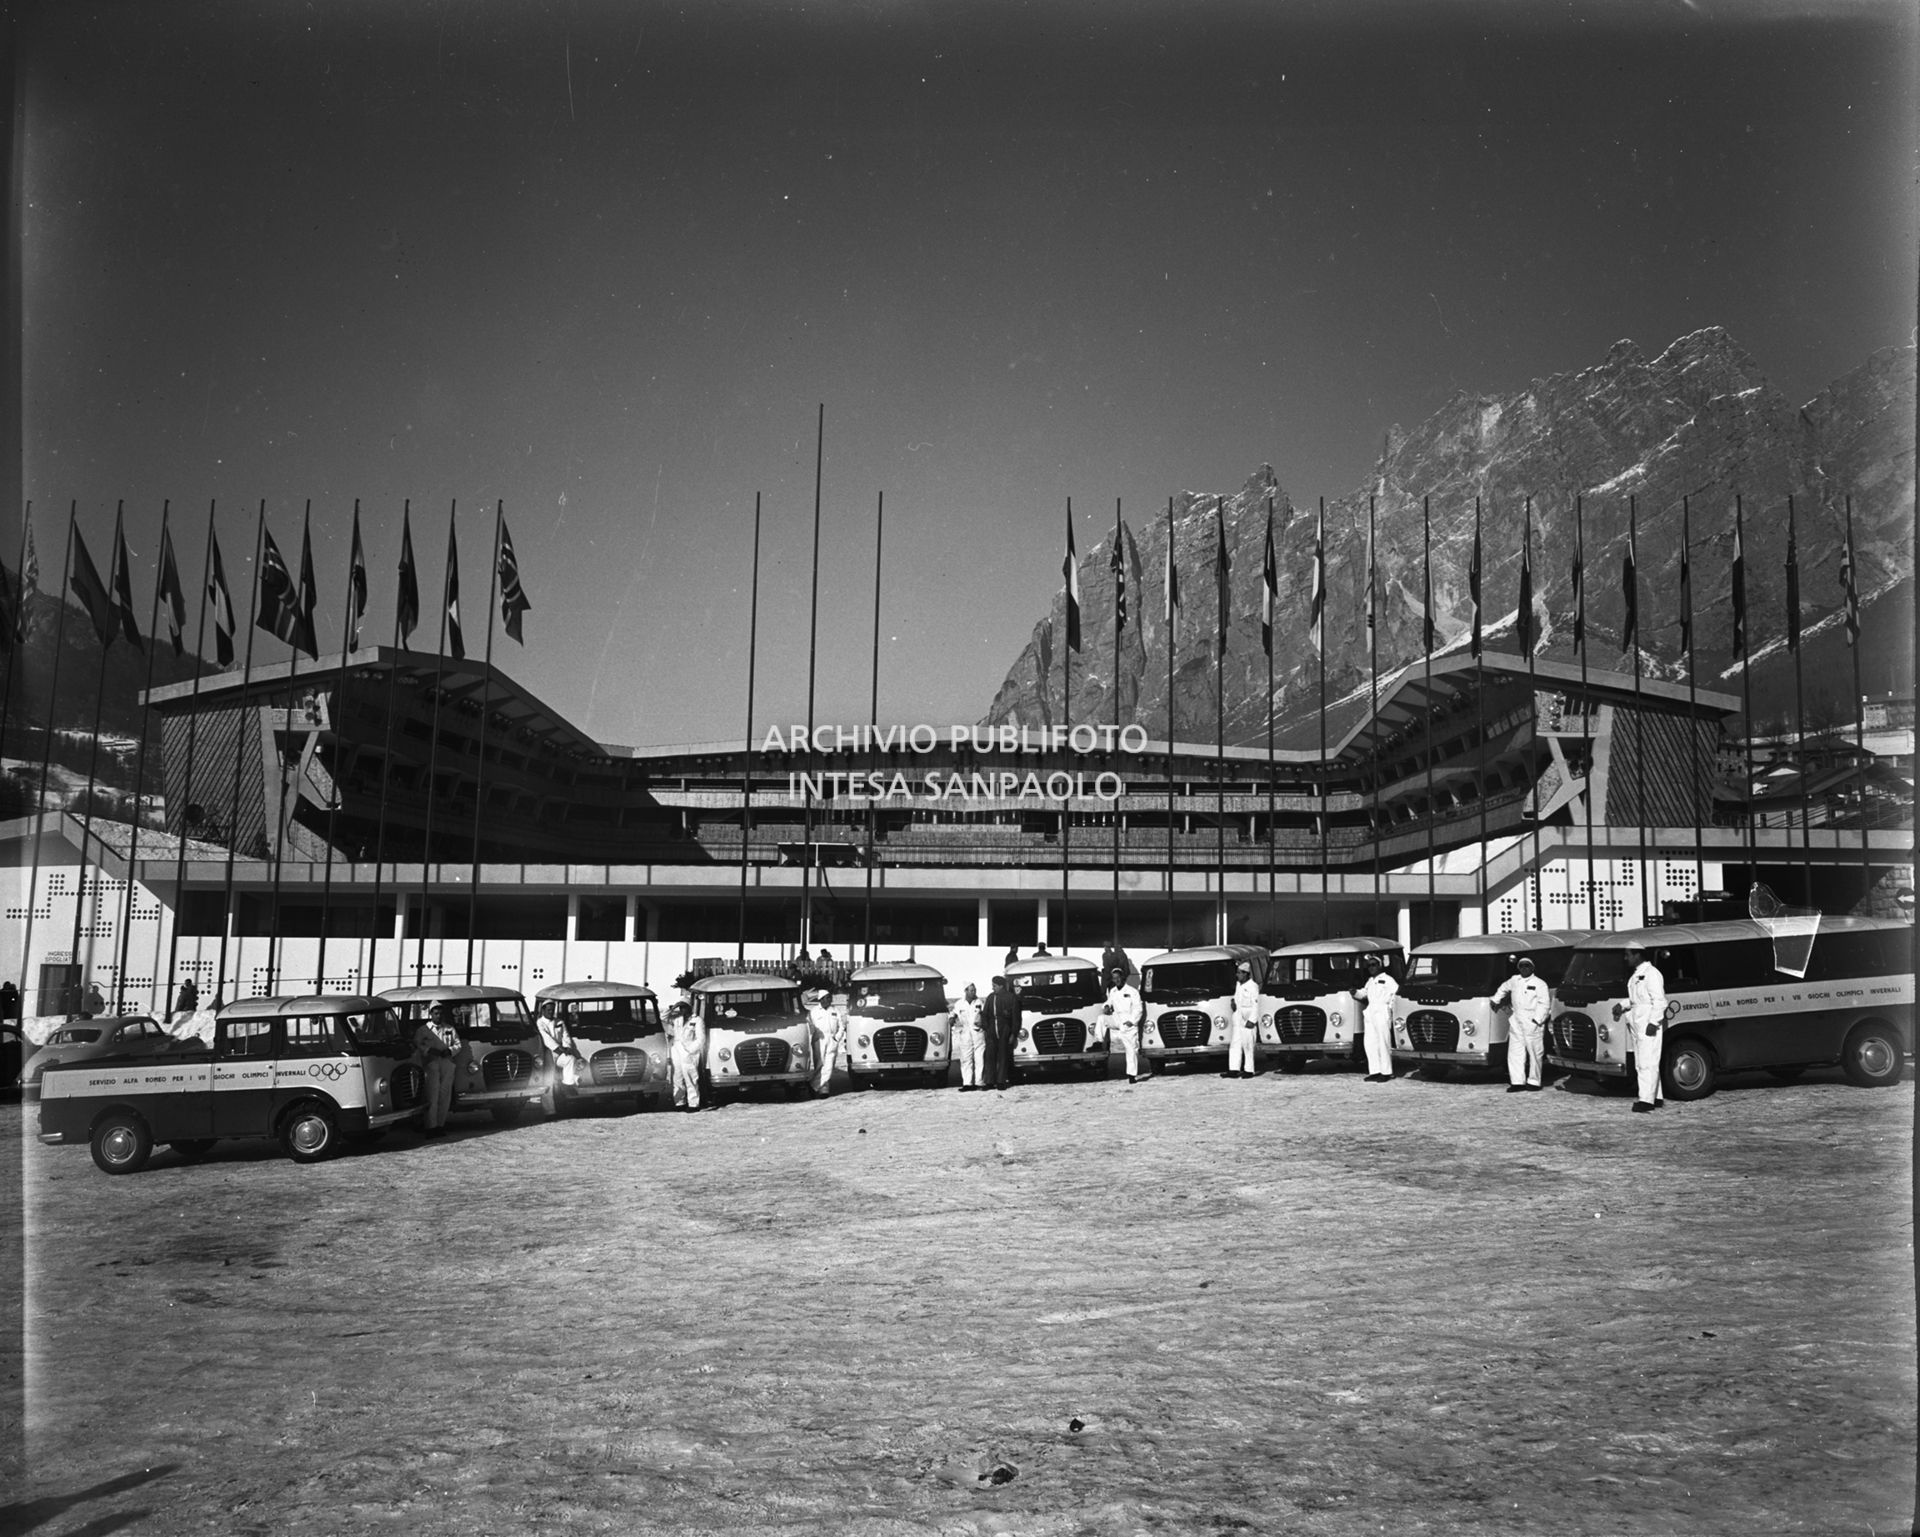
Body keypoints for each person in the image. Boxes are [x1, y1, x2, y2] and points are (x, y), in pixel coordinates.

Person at [1619, 941, 1669, 1112]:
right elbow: (1638, 1000)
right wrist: (1623, 1005)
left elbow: (1659, 1001)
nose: (1626, 958)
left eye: (1628, 955)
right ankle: (1656, 1096)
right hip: (1638, 1023)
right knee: (1643, 1062)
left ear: (1637, 955)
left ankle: (1646, 1101)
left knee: (1647, 1062)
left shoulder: (1652, 974)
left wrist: (1654, 1023)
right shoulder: (1637, 975)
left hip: (1647, 1023)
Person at [1491, 956, 1553, 1092]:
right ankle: (1517, 1081)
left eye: (1527, 966)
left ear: (1532, 968)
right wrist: (1495, 999)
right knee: (1515, 1052)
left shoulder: (1540, 983)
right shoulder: (1514, 980)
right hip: (1517, 1019)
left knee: (1535, 1052)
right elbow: (1503, 988)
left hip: (1532, 1020)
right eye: (1522, 966)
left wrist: (1537, 1020)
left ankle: (1534, 1081)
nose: (1524, 968)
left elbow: (1545, 1004)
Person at [414, 1003, 461, 1135]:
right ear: (431, 1014)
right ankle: (431, 1126)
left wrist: (450, 1051)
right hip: (431, 1063)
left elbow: (458, 1044)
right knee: (432, 1095)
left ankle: (440, 1125)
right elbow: (417, 1044)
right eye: (436, 1013)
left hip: (446, 1062)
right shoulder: (424, 1030)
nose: (438, 1016)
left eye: (440, 1013)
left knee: (444, 1095)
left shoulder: (449, 1029)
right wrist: (428, 1050)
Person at [1358, 952, 1398, 1082]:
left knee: (1383, 1042)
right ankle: (1374, 1070)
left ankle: (1386, 1072)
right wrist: (1355, 993)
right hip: (1371, 1012)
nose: (1371, 968)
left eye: (1374, 965)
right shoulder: (1370, 981)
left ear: (1380, 966)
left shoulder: (1388, 980)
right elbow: (1364, 993)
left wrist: (1389, 1009)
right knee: (1370, 1042)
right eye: (1369, 966)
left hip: (1382, 1011)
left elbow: (1395, 995)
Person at [1103, 965, 1145, 1083]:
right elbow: (1108, 1002)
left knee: (1131, 1049)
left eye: (1118, 978)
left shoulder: (1132, 991)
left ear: (1123, 978)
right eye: (1114, 978)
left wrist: (1131, 1021)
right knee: (1102, 1019)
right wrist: (1106, 1006)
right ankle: (1098, 1041)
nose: (1116, 980)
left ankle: (1132, 1075)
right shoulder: (1113, 991)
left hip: (1128, 1022)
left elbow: (1138, 1008)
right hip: (1117, 1020)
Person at [979, 974, 1020, 1090]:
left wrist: (1013, 1033)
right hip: (992, 1030)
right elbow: (985, 1014)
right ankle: (989, 1081)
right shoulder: (991, 997)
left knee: (1003, 1056)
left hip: (1005, 1029)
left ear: (1001, 986)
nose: (993, 988)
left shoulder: (1011, 998)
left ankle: (1001, 1081)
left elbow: (1016, 1018)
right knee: (989, 1056)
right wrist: (986, 1028)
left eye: (995, 986)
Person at [535, 1001, 584, 1098]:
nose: (551, 1012)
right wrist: (559, 1048)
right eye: (548, 1010)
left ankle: (567, 1085)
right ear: (543, 1010)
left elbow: (566, 1036)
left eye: (552, 1010)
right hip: (548, 1053)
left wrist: (568, 1048)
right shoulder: (539, 1022)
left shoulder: (559, 1022)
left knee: (570, 1059)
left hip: (561, 1052)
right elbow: (546, 1039)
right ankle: (550, 1110)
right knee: (548, 1081)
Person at [667, 1000, 706, 1111]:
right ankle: (679, 1102)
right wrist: (673, 1007)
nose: (682, 1010)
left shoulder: (697, 1020)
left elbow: (701, 1039)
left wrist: (691, 1050)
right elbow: (663, 1018)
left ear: (689, 1007)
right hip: (676, 1048)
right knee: (677, 1076)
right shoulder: (677, 1019)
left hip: (689, 1050)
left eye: (684, 1007)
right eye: (681, 1007)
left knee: (690, 1076)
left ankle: (693, 1104)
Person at [1226, 960, 1261, 1078]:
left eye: (1240, 973)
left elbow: (1256, 1004)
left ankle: (1249, 1070)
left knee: (1248, 1045)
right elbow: (1237, 998)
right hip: (1238, 1019)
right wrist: (1233, 1002)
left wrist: (1252, 1020)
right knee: (1235, 1045)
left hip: (1248, 1021)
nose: (1237, 975)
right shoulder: (1238, 985)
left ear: (1246, 973)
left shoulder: (1253, 986)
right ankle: (1234, 1068)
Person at [806, 988, 841, 1097]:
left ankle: (814, 1085)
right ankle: (822, 1089)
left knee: (829, 1065)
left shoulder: (835, 1010)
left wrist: (837, 1037)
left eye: (830, 997)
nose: (829, 1000)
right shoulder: (814, 1011)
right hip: (819, 1040)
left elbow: (841, 1025)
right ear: (821, 999)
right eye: (827, 998)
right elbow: (809, 1025)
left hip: (832, 1039)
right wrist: (814, 1035)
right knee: (820, 1064)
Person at [950, 983, 985, 1090]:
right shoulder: (959, 1004)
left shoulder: (980, 1002)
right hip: (965, 1032)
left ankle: (979, 1082)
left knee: (980, 1058)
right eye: (971, 990)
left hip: (978, 1033)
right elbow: (953, 1014)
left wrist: (982, 1022)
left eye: (974, 990)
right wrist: (951, 1020)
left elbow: (985, 1015)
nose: (974, 992)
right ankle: (967, 1083)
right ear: (965, 991)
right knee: (966, 1058)